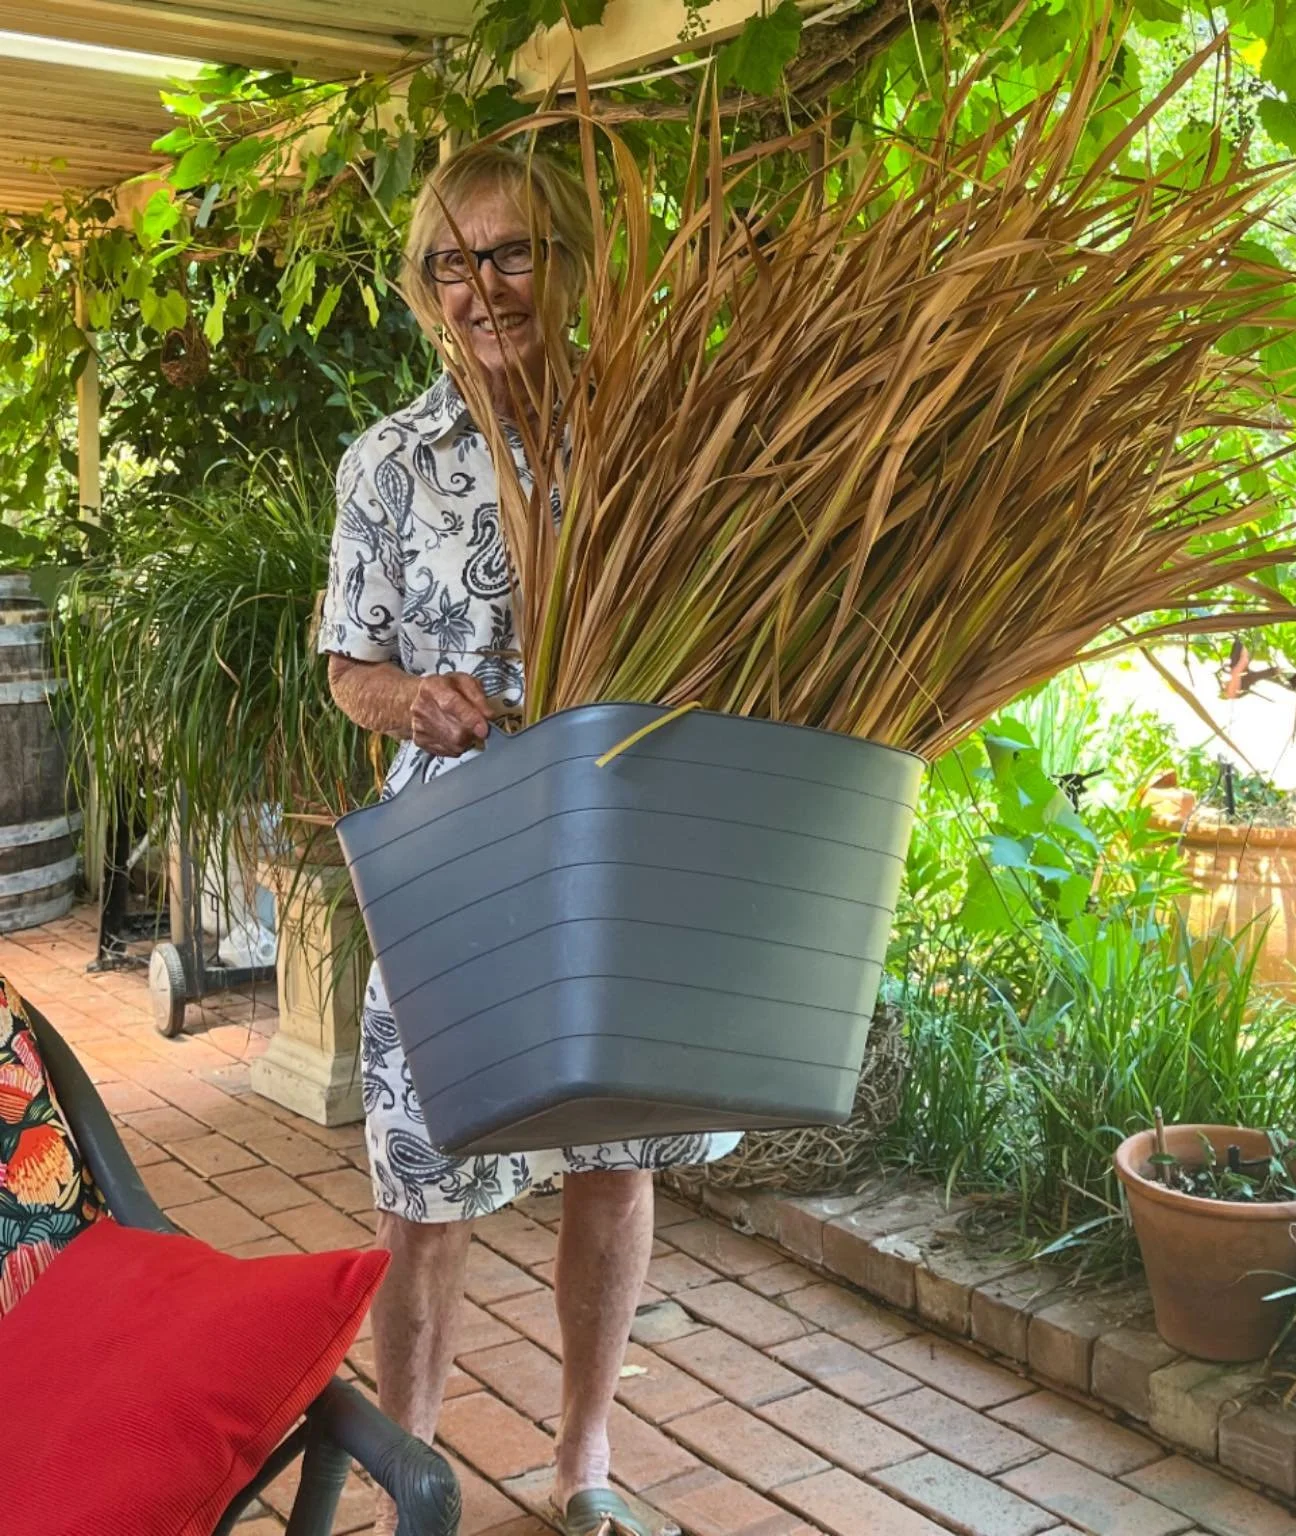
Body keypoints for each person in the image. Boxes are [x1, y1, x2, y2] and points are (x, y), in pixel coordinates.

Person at [318, 142, 740, 1536]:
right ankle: (412, 1471)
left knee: (611, 1159)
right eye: (450, 261)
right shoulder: (384, 463)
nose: (480, 287)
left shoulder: (656, 441)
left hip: (625, 858)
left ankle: (582, 1460)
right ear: (421, 286)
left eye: (508, 254)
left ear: (563, 265)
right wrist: (410, 701)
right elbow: (345, 667)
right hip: (452, 861)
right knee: (424, 1178)